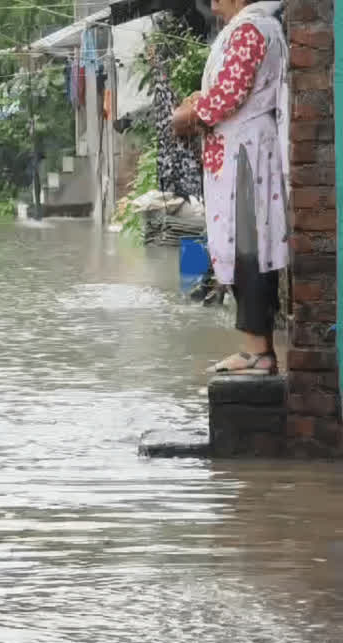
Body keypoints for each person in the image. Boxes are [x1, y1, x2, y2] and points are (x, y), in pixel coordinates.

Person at [173, 0, 288, 375]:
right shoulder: (253, 28)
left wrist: (188, 114)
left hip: (245, 155)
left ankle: (257, 351)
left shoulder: (251, 30)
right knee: (244, 245)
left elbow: (227, 95)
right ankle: (256, 348)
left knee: (249, 247)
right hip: (241, 150)